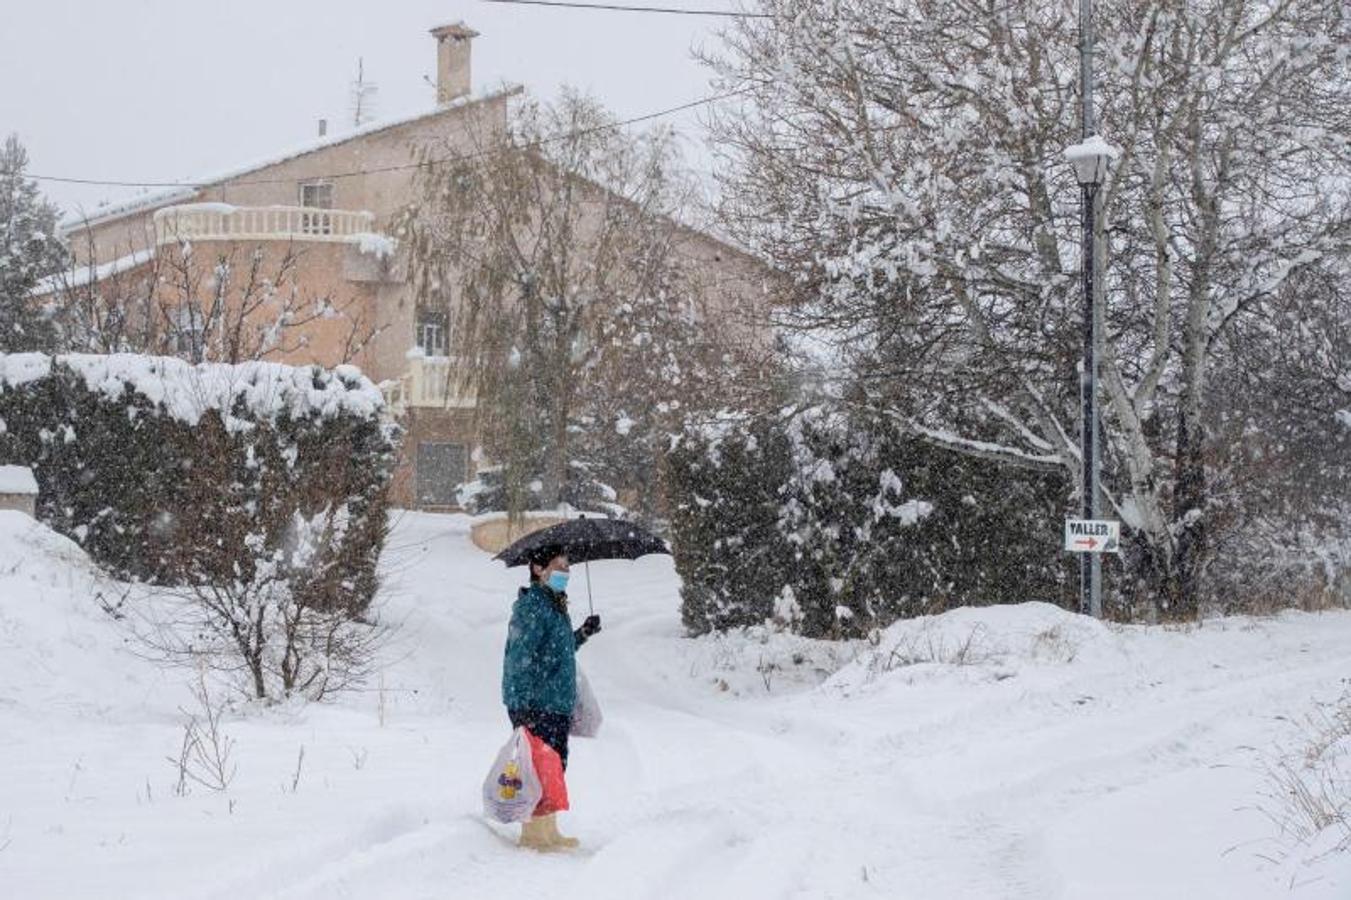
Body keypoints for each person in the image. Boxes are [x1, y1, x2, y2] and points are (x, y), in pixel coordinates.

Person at [502, 543, 602, 850]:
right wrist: (521, 708)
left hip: (556, 703)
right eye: (559, 567)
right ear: (538, 569)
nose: (566, 573)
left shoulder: (555, 606)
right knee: (537, 769)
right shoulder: (532, 606)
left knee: (554, 768)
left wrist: (583, 633)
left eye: (567, 568)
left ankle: (549, 830)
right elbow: (519, 657)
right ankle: (533, 834)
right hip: (535, 704)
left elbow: (559, 651)